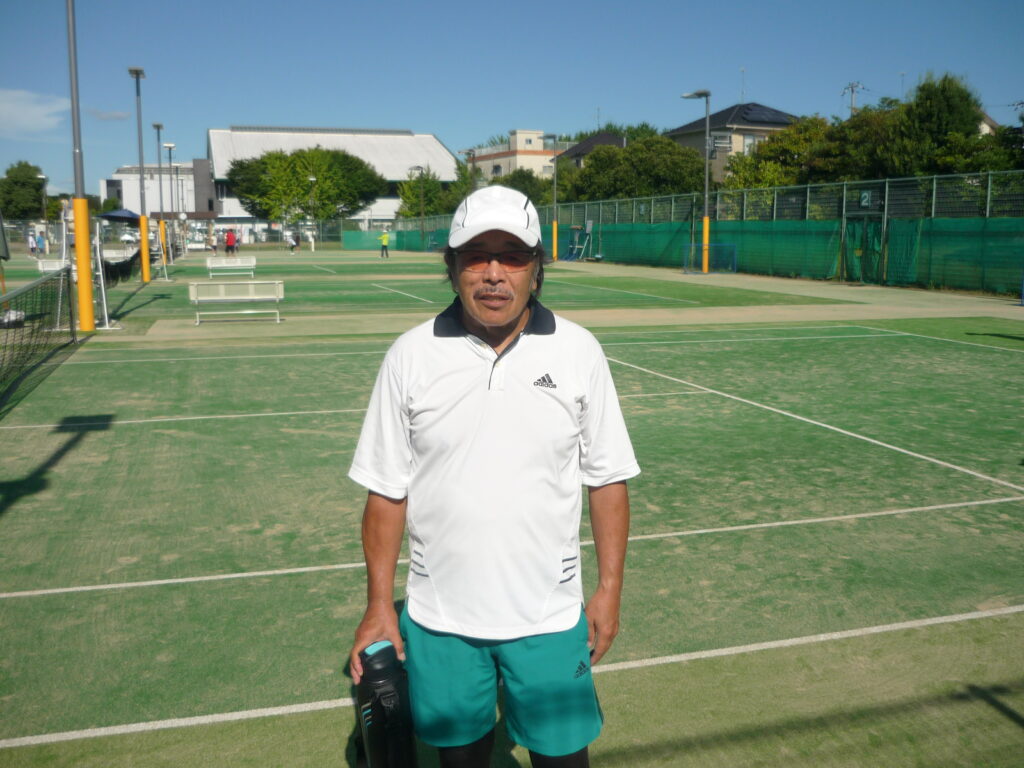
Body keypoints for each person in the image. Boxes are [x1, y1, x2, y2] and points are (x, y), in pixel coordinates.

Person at [348, 186, 640, 768]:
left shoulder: (579, 350)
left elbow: (607, 481)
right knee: (460, 760)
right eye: (477, 256)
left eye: (512, 256)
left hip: (550, 616)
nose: (493, 274)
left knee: (564, 760)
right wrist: (380, 604)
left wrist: (609, 590)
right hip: (441, 620)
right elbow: (386, 491)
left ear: (536, 267)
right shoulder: (410, 355)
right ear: (452, 265)